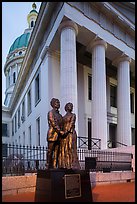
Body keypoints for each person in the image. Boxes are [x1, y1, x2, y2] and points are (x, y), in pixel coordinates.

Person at [59, 102, 80, 169]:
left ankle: (74, 164)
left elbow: (71, 123)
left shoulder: (73, 115)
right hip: (65, 135)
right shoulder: (63, 117)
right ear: (66, 108)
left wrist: (66, 131)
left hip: (71, 133)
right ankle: (67, 164)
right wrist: (61, 133)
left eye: (71, 106)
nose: (71, 107)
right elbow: (61, 125)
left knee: (72, 148)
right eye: (69, 105)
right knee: (66, 149)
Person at [46, 98, 64, 169]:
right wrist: (60, 131)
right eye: (56, 102)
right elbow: (53, 123)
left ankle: (54, 165)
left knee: (57, 152)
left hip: (59, 136)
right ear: (53, 104)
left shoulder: (60, 115)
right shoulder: (51, 113)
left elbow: (62, 125)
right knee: (50, 151)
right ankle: (47, 165)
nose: (58, 103)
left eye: (59, 102)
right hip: (52, 135)